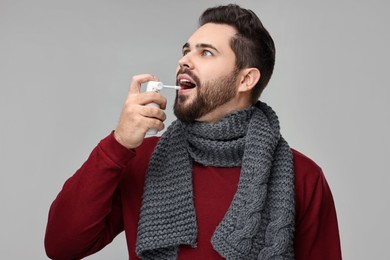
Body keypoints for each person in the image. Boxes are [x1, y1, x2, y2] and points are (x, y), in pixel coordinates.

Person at [45, 4, 342, 260]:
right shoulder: (142, 160)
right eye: (186, 50)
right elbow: (62, 245)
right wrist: (119, 143)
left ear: (246, 79)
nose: (184, 60)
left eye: (206, 53)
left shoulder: (302, 177)